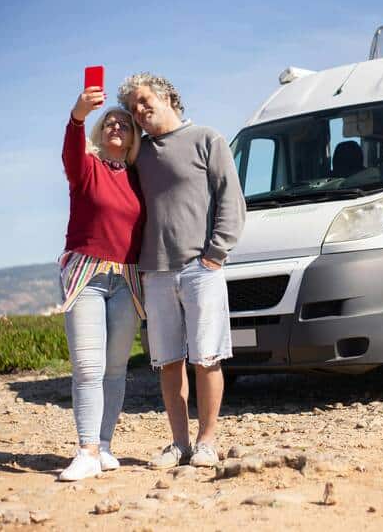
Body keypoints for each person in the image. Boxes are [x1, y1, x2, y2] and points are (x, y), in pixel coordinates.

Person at [118, 73, 245, 469]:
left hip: (200, 269)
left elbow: (231, 200)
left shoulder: (208, 139)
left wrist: (216, 253)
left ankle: (207, 442)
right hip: (155, 273)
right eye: (133, 107)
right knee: (169, 362)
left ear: (166, 95)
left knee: (207, 358)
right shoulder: (140, 154)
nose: (139, 111)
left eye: (143, 101)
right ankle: (179, 444)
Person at [58, 85, 145, 481]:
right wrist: (78, 115)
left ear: (132, 137)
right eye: (109, 121)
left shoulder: (139, 178)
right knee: (88, 367)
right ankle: (86, 449)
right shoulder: (86, 167)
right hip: (87, 276)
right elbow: (71, 150)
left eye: (124, 124)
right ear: (99, 132)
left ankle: (105, 445)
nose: (116, 126)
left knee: (115, 369)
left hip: (127, 279)